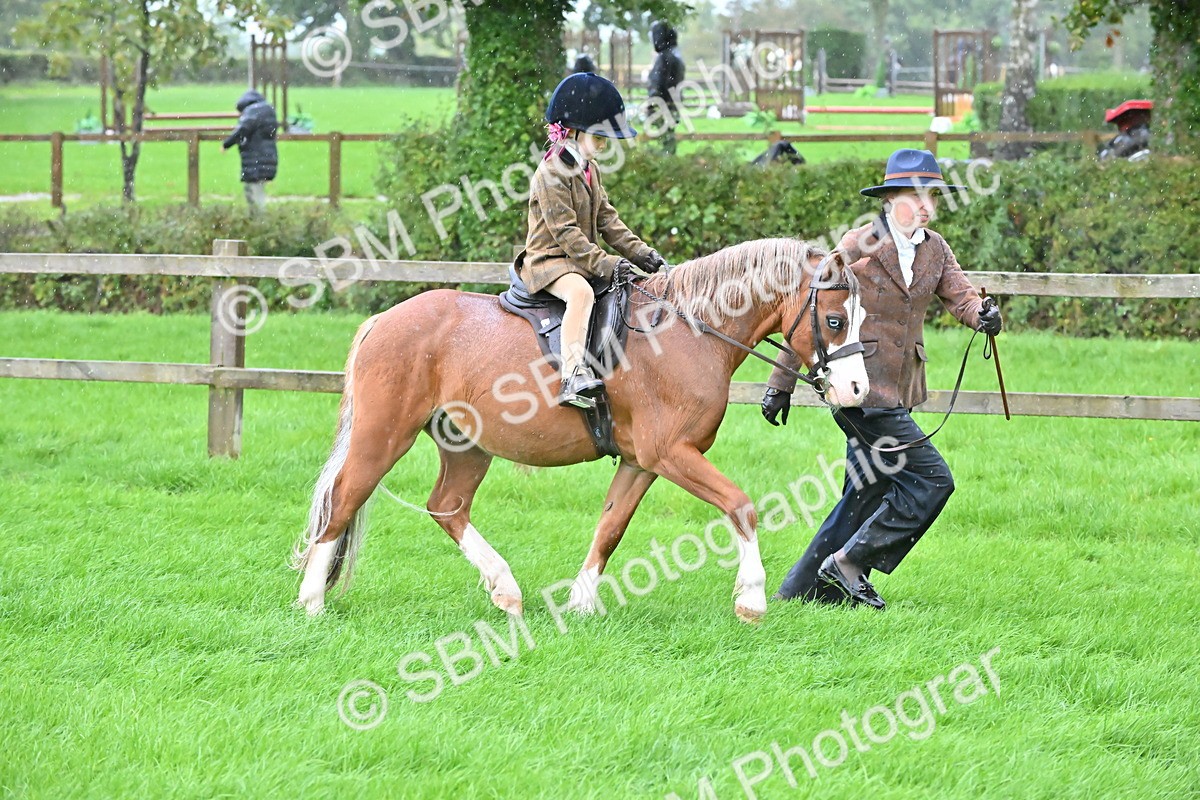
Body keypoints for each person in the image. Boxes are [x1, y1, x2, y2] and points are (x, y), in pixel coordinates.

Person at [761, 148, 1003, 610]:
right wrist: (781, 381)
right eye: (916, 195)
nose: (926, 204)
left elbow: (963, 298)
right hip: (858, 390)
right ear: (891, 198)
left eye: (931, 194)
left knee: (866, 490)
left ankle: (803, 590)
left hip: (903, 387)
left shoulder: (936, 248)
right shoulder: (860, 242)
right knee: (933, 480)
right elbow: (812, 310)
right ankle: (849, 564)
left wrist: (985, 316)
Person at [516, 73, 666, 408]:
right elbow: (568, 235)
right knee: (581, 293)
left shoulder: (589, 169)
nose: (603, 144)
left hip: (578, 260)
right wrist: (612, 263)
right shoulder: (551, 172)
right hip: (550, 262)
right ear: (573, 131)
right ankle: (573, 375)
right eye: (599, 136)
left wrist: (644, 255)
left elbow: (607, 220)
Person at [222, 89, 278, 214]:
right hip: (268, 157)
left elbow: (242, 130)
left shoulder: (252, 111)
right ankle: (260, 221)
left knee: (253, 193)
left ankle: (258, 222)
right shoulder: (269, 110)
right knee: (259, 190)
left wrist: (226, 144)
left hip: (255, 160)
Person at [647, 20, 685, 154]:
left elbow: (657, 84)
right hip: (672, 103)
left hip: (664, 105)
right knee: (668, 137)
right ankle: (668, 165)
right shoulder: (676, 56)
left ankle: (665, 165)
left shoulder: (664, 58)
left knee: (665, 140)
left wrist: (651, 105)